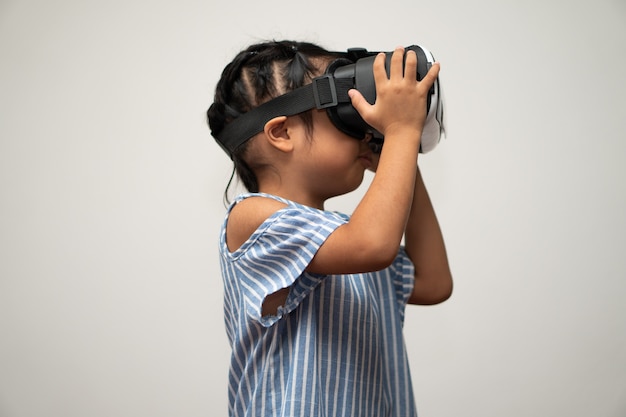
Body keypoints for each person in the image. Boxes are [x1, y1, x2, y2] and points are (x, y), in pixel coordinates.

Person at [207, 40, 453, 417]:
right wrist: (402, 130)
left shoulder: (344, 238)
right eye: (342, 112)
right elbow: (371, 245)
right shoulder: (253, 219)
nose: (359, 128)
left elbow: (433, 283)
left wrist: (398, 152)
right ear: (282, 133)